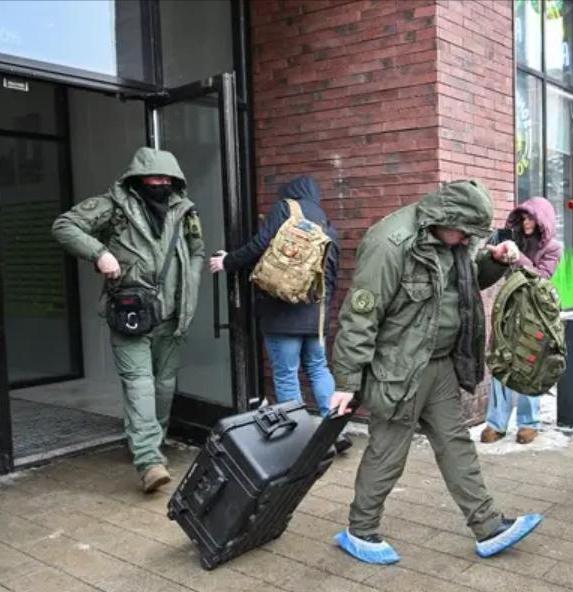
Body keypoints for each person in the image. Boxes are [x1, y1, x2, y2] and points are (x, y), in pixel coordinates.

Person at [328, 180, 543, 564]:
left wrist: (495, 260)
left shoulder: (452, 239)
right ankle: (360, 530)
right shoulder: (390, 244)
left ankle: (488, 525)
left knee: (456, 443)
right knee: (387, 453)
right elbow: (360, 316)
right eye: (465, 232)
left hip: (439, 364)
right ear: (445, 218)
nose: (468, 241)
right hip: (398, 370)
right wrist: (346, 380)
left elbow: (466, 280)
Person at [51, 147, 204, 493]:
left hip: (172, 316)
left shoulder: (185, 210)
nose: (161, 183)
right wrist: (100, 253)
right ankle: (149, 461)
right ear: (137, 179)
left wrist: (190, 287)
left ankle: (152, 443)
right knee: (139, 384)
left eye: (167, 178)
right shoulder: (113, 206)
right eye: (154, 177)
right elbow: (64, 225)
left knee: (164, 385)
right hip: (130, 313)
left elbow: (197, 251)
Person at [208, 176, 350, 451]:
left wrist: (228, 261)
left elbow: (259, 245)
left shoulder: (287, 209)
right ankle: (333, 430)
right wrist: (323, 311)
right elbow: (331, 277)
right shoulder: (326, 224)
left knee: (286, 374)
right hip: (316, 314)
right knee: (318, 367)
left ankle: (298, 439)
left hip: (281, 312)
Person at [480, 196, 562, 445]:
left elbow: (541, 278)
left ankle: (529, 423)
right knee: (501, 361)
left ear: (542, 221)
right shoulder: (514, 238)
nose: (526, 223)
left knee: (530, 363)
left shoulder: (553, 247)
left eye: (531, 219)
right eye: (523, 218)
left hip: (536, 312)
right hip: (509, 308)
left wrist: (516, 257)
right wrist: (497, 251)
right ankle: (496, 423)